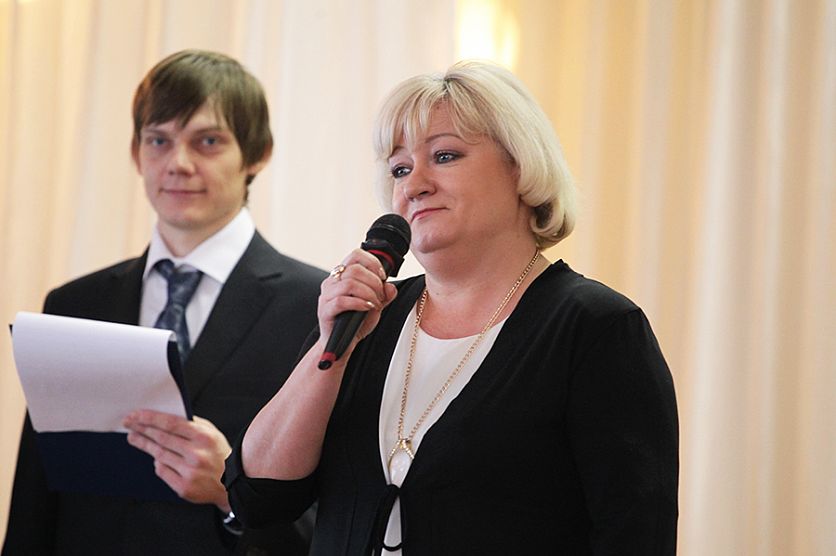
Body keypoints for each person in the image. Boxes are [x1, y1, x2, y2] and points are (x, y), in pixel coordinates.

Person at [224, 60, 679, 555]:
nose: (414, 184)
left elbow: (635, 535)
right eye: (400, 169)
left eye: (444, 156)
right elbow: (258, 498)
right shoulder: (369, 318)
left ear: (521, 166)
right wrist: (329, 353)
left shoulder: (597, 329)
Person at [3, 50, 326, 555]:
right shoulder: (74, 303)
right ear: (136, 154)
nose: (178, 163)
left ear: (257, 153)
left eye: (208, 141)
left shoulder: (316, 309)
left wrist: (231, 494)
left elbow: (334, 520)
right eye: (159, 140)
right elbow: (35, 502)